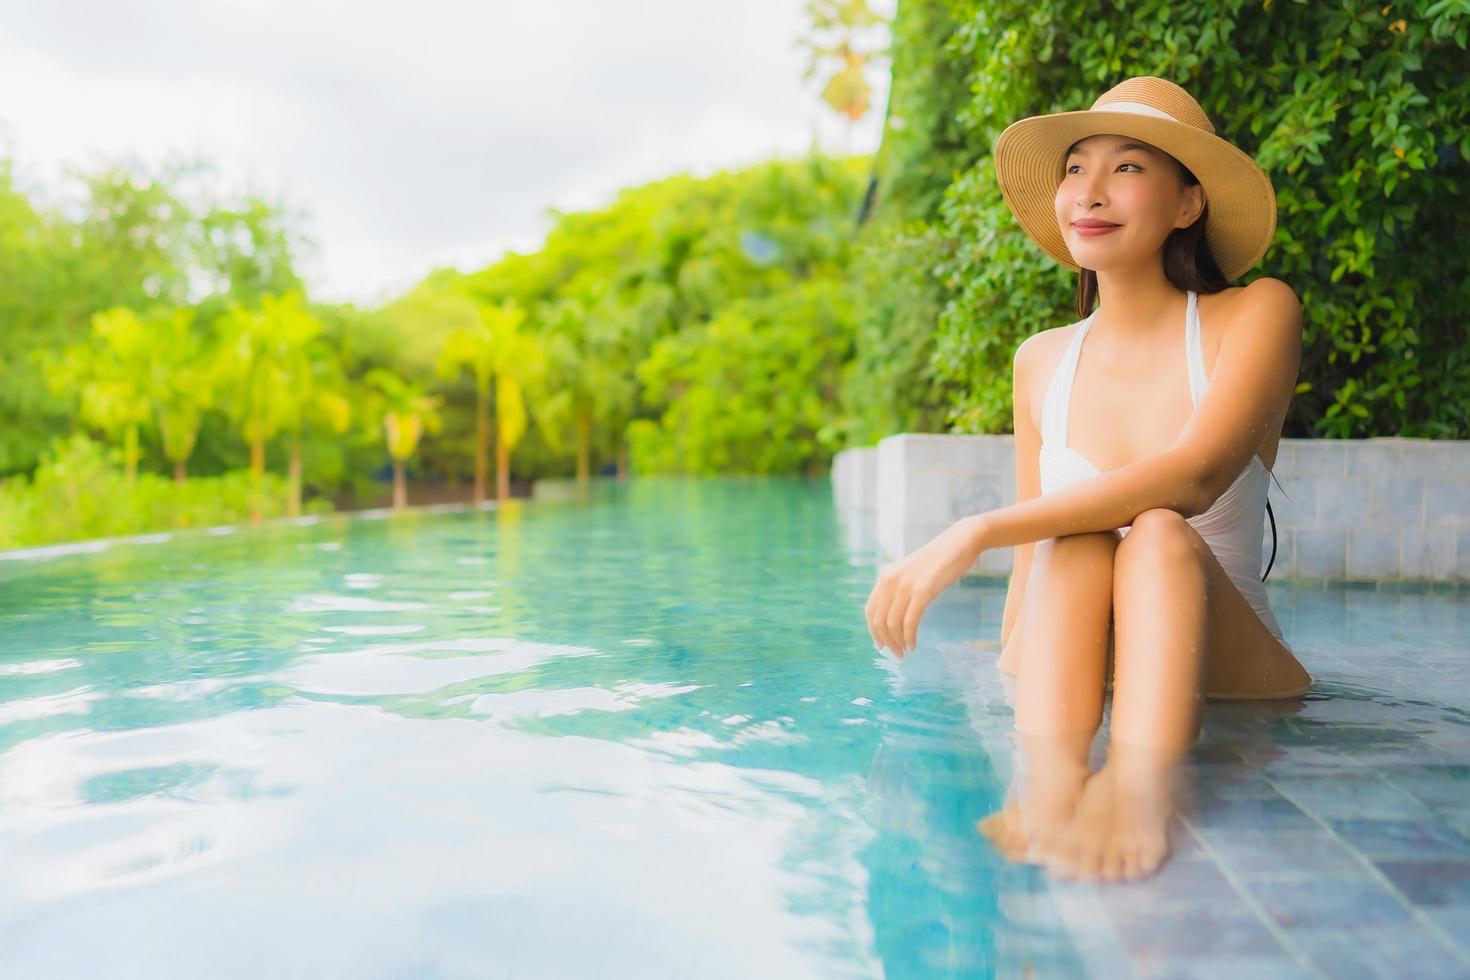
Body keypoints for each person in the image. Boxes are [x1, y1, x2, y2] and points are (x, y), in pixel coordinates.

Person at [862, 75, 1315, 881]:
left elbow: (1196, 476)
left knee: (1156, 530)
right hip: (1075, 673)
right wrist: (1004, 668)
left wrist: (977, 528)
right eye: (1076, 169)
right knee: (1072, 536)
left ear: (1188, 203)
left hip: (1229, 663)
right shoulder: (1039, 362)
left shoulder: (1257, 313)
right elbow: (1034, 577)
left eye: (1129, 169)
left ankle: (1141, 789)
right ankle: (1055, 782)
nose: (1090, 192)